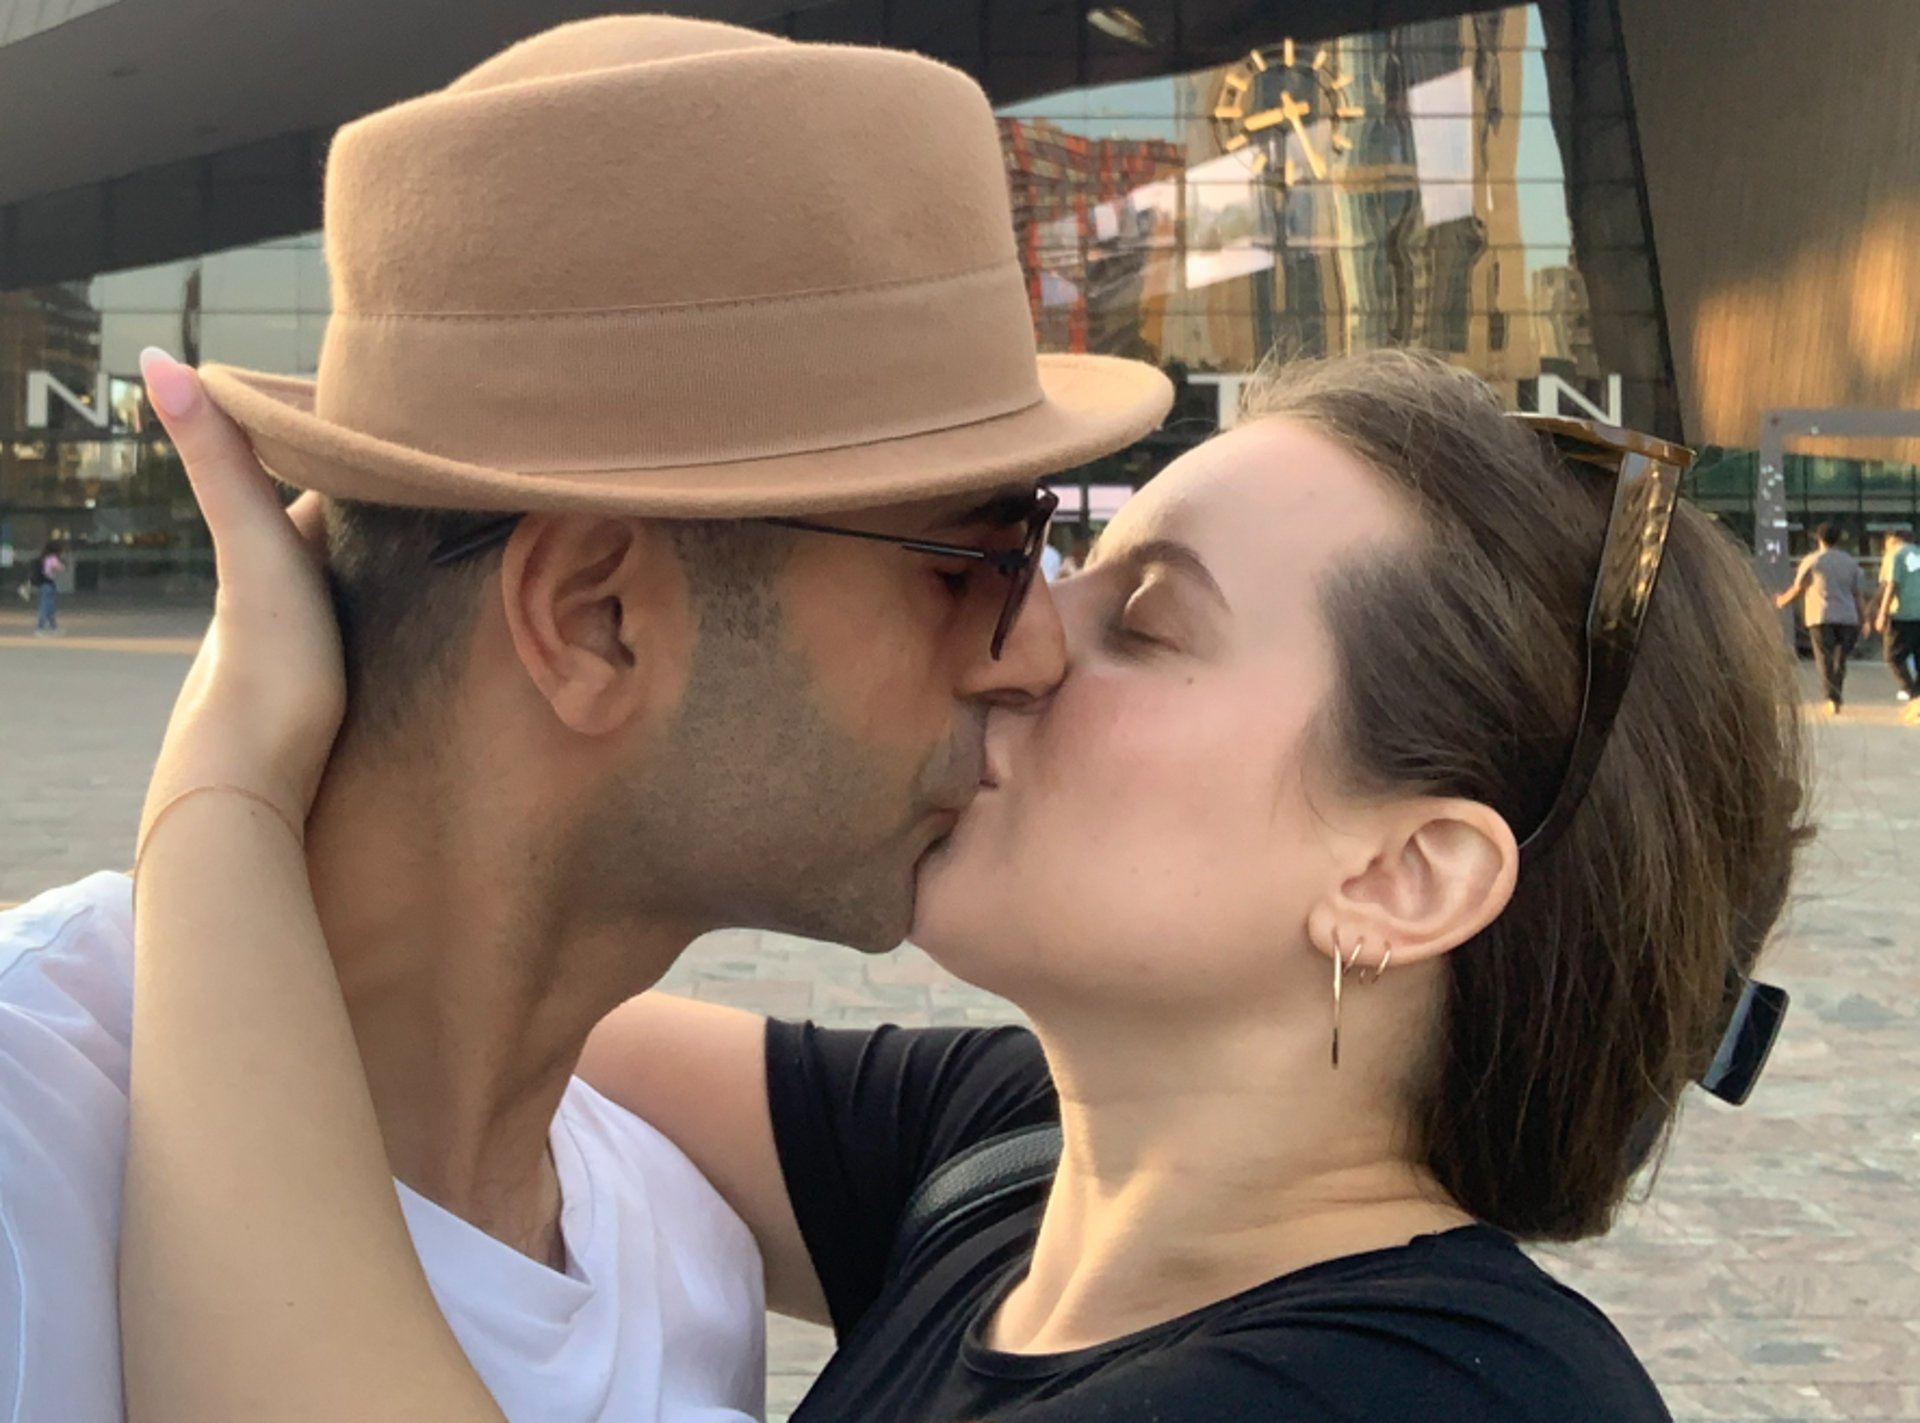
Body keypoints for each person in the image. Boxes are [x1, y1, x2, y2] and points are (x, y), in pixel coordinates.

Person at [122, 350, 1809, 1422]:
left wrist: (224, 791)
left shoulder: (1426, 1399)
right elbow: (462, 977)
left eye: (1148, 621)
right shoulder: (1015, 1158)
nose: (1022, 638)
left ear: (1402, 873)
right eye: (1065, 567)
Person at [0, 17, 1171, 1423]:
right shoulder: (23, 1162)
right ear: (594, 618)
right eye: (973, 558)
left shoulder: (687, 1262)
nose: (1038, 646)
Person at [1776, 522, 1867, 713]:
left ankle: (1830, 698)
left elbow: (1799, 587)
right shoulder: (1850, 562)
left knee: (1825, 658)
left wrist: (1781, 600)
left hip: (1821, 616)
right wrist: (1864, 618)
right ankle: (1836, 696)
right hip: (1847, 617)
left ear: (1818, 538)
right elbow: (1857, 594)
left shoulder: (1812, 560)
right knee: (1840, 659)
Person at [1870, 527, 1920, 702]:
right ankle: (1917, 691)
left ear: (1892, 540)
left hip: (1902, 614)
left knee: (1892, 656)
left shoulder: (1895, 555)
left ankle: (1912, 692)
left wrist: (1882, 613)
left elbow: (1891, 585)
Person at [30, 538, 63, 636]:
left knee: (49, 607)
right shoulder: (53, 559)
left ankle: (53, 627)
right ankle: (41, 627)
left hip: (42, 584)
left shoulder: (43, 558)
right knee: (46, 606)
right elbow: (59, 568)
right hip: (49, 584)